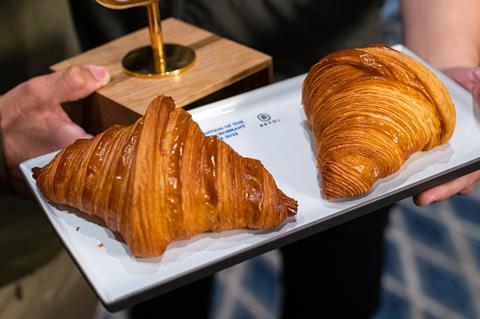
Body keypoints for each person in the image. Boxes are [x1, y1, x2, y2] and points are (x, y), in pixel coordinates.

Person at [0, 1, 478, 318]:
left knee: (336, 287)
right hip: (127, 96)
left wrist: (447, 65)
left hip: (340, 81)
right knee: (166, 297)